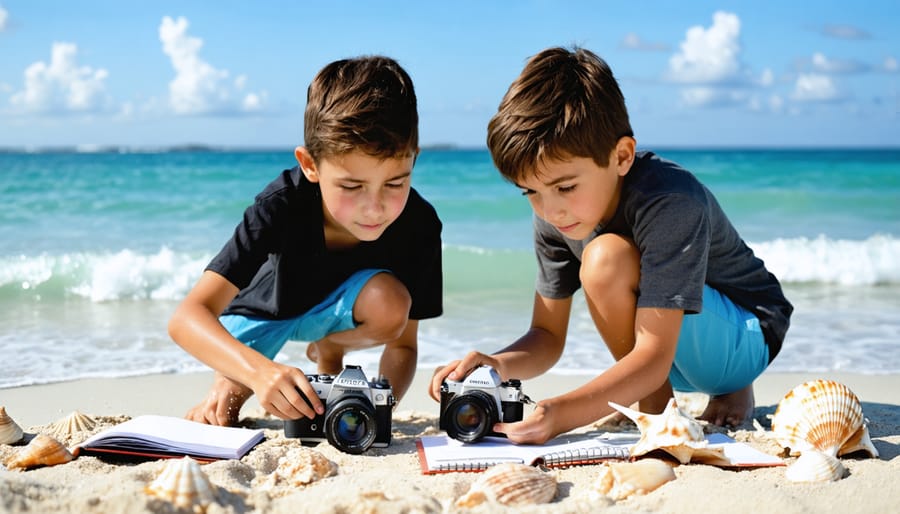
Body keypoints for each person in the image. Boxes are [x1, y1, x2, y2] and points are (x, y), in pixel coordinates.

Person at [430, 46, 792, 444]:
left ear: (621, 156)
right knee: (604, 260)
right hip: (666, 349)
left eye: (565, 186)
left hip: (746, 331)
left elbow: (654, 356)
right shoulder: (557, 214)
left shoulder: (670, 201)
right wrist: (497, 364)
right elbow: (547, 337)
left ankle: (676, 400)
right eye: (529, 192)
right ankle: (656, 399)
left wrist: (561, 414)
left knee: (605, 259)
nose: (550, 209)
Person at [169, 55, 442, 427]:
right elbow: (187, 318)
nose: (375, 207)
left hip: (338, 314)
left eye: (395, 183)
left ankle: (331, 349)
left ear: (413, 160)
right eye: (351, 185)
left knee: (391, 303)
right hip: (263, 312)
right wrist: (258, 373)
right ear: (310, 165)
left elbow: (404, 344)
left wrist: (377, 414)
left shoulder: (420, 224)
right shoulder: (280, 203)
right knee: (222, 412)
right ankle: (241, 378)